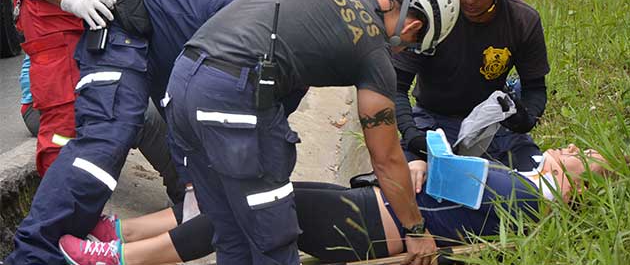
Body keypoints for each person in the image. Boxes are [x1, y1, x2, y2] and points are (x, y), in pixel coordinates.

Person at [154, 0, 460, 265]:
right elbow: (386, 157)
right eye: (414, 47)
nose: (405, 53)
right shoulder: (374, 53)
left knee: (232, 233)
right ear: (413, 28)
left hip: (183, 82)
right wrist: (416, 229)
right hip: (231, 101)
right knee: (275, 237)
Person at [4, 0, 271, 265]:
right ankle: (50, 247)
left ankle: (120, 234)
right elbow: (184, 100)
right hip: (60, 104)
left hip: (123, 59)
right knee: (115, 130)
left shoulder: (217, 11)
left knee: (220, 187)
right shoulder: (228, 14)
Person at [59, 144, 613, 264]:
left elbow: (444, 180)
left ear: (573, 187)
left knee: (244, 215)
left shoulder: (522, 194)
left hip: (372, 223)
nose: (569, 148)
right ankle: (119, 238)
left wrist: (428, 158)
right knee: (245, 203)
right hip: (370, 212)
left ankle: (117, 256)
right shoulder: (520, 187)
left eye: (581, 155)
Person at [10, 0, 174, 177]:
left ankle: (193, 200)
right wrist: (73, 2)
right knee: (65, 121)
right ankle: (61, 208)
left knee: (131, 105)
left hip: (110, 0)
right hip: (51, 5)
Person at [394, 0, 550, 179]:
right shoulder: (433, 13)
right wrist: (413, 137)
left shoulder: (523, 22)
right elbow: (396, 87)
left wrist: (526, 118)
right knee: (413, 181)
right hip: (431, 122)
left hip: (492, 127)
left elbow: (535, 88)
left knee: (538, 179)